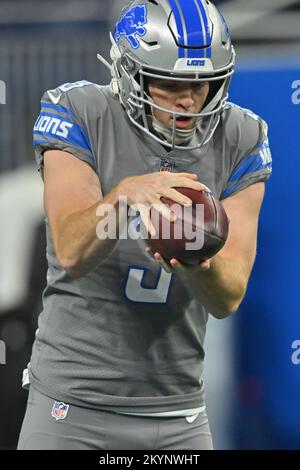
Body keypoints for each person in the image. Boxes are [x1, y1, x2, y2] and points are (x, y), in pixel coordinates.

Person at [17, 0, 272, 450]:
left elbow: (228, 296)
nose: (190, 99)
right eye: (172, 83)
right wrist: (123, 197)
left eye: (202, 83)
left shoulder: (242, 136)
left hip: (176, 412)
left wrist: (196, 262)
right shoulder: (80, 110)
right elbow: (72, 250)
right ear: (129, 71)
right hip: (71, 404)